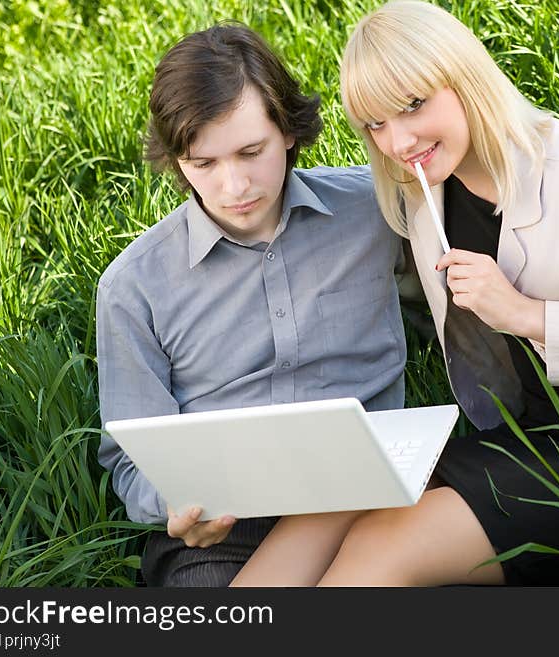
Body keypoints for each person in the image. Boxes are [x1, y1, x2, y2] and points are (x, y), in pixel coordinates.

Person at [229, 0, 559, 587]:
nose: (398, 141)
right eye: (375, 124)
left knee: (381, 546)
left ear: (463, 78)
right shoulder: (422, 194)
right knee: (338, 504)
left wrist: (526, 315)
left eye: (413, 105)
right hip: (522, 433)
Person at [95, 21, 409, 587]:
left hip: (368, 489)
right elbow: (130, 454)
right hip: (225, 525)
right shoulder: (134, 286)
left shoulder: (377, 210)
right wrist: (179, 505)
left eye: (250, 152)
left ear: (287, 130)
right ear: (177, 160)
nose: (234, 186)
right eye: (204, 164)